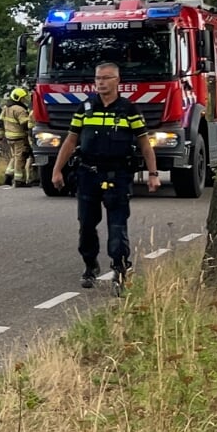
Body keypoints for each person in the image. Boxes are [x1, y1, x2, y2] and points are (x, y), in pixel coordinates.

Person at [51, 61, 158, 292]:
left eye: (106, 78)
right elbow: (71, 140)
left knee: (117, 227)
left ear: (118, 81)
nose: (100, 82)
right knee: (86, 226)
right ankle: (90, 266)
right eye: (98, 78)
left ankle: (120, 271)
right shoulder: (85, 108)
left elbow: (144, 143)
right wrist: (57, 170)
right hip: (88, 174)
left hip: (118, 175)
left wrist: (153, 174)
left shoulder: (129, 110)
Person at [0, 86, 35, 187]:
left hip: (9, 138)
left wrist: (1, 135)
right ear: (18, 98)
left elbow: (0, 122)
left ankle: (8, 175)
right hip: (19, 138)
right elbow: (25, 124)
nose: (24, 100)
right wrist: (31, 126)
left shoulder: (6, 108)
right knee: (20, 158)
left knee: (14, 157)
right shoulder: (20, 110)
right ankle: (19, 180)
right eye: (23, 98)